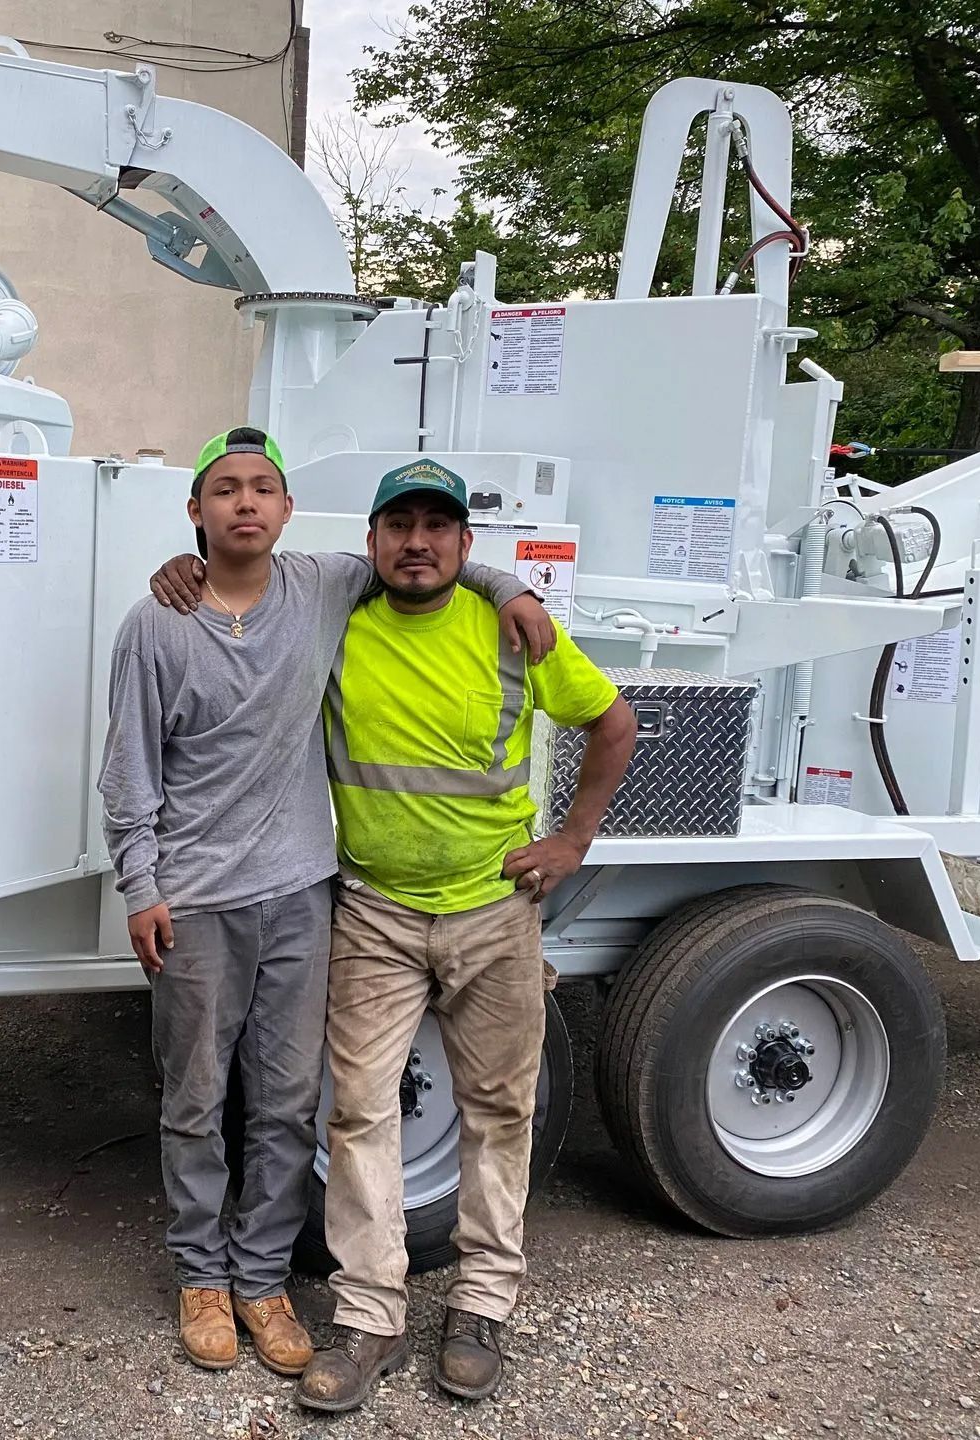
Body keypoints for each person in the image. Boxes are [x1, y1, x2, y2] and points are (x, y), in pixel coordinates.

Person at [98, 429, 556, 1376]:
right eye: (225, 490)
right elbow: (130, 768)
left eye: (263, 488)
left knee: (286, 1105)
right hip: (195, 901)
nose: (245, 503)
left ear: (287, 510)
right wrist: (140, 885)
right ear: (196, 511)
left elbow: (425, 557)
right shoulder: (156, 624)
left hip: (304, 897)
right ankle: (201, 1276)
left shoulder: (322, 585)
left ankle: (263, 1281)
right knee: (195, 1098)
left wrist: (511, 586)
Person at [286, 461, 636, 1414]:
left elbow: (614, 725)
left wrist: (572, 841)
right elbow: (249, 579)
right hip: (376, 912)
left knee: (500, 1112)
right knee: (358, 1114)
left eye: (437, 526)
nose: (417, 542)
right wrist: (186, 566)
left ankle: (481, 1306)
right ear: (370, 542)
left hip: (494, 912)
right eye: (398, 524)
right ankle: (371, 1318)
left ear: (465, 543)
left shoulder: (510, 629)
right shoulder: (335, 623)